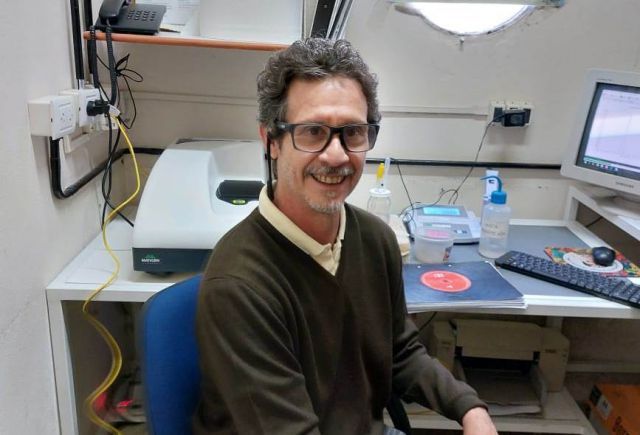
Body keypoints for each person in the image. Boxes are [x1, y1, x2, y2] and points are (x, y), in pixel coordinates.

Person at [194, 38, 497, 435]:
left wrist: (471, 410)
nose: (336, 155)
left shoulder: (375, 239)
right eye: (313, 131)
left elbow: (400, 351)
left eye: (352, 132)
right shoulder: (238, 286)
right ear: (271, 141)